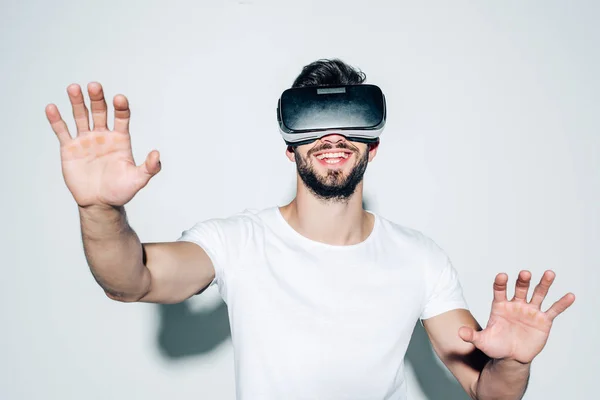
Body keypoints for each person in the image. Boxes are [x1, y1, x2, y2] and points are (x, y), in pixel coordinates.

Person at [46, 59, 575, 400]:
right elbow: (131, 279)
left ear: (373, 145)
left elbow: (487, 392)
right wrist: (98, 210)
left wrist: (509, 364)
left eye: (350, 119)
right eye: (312, 123)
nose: (332, 135)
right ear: (290, 145)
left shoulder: (420, 258)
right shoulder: (235, 242)